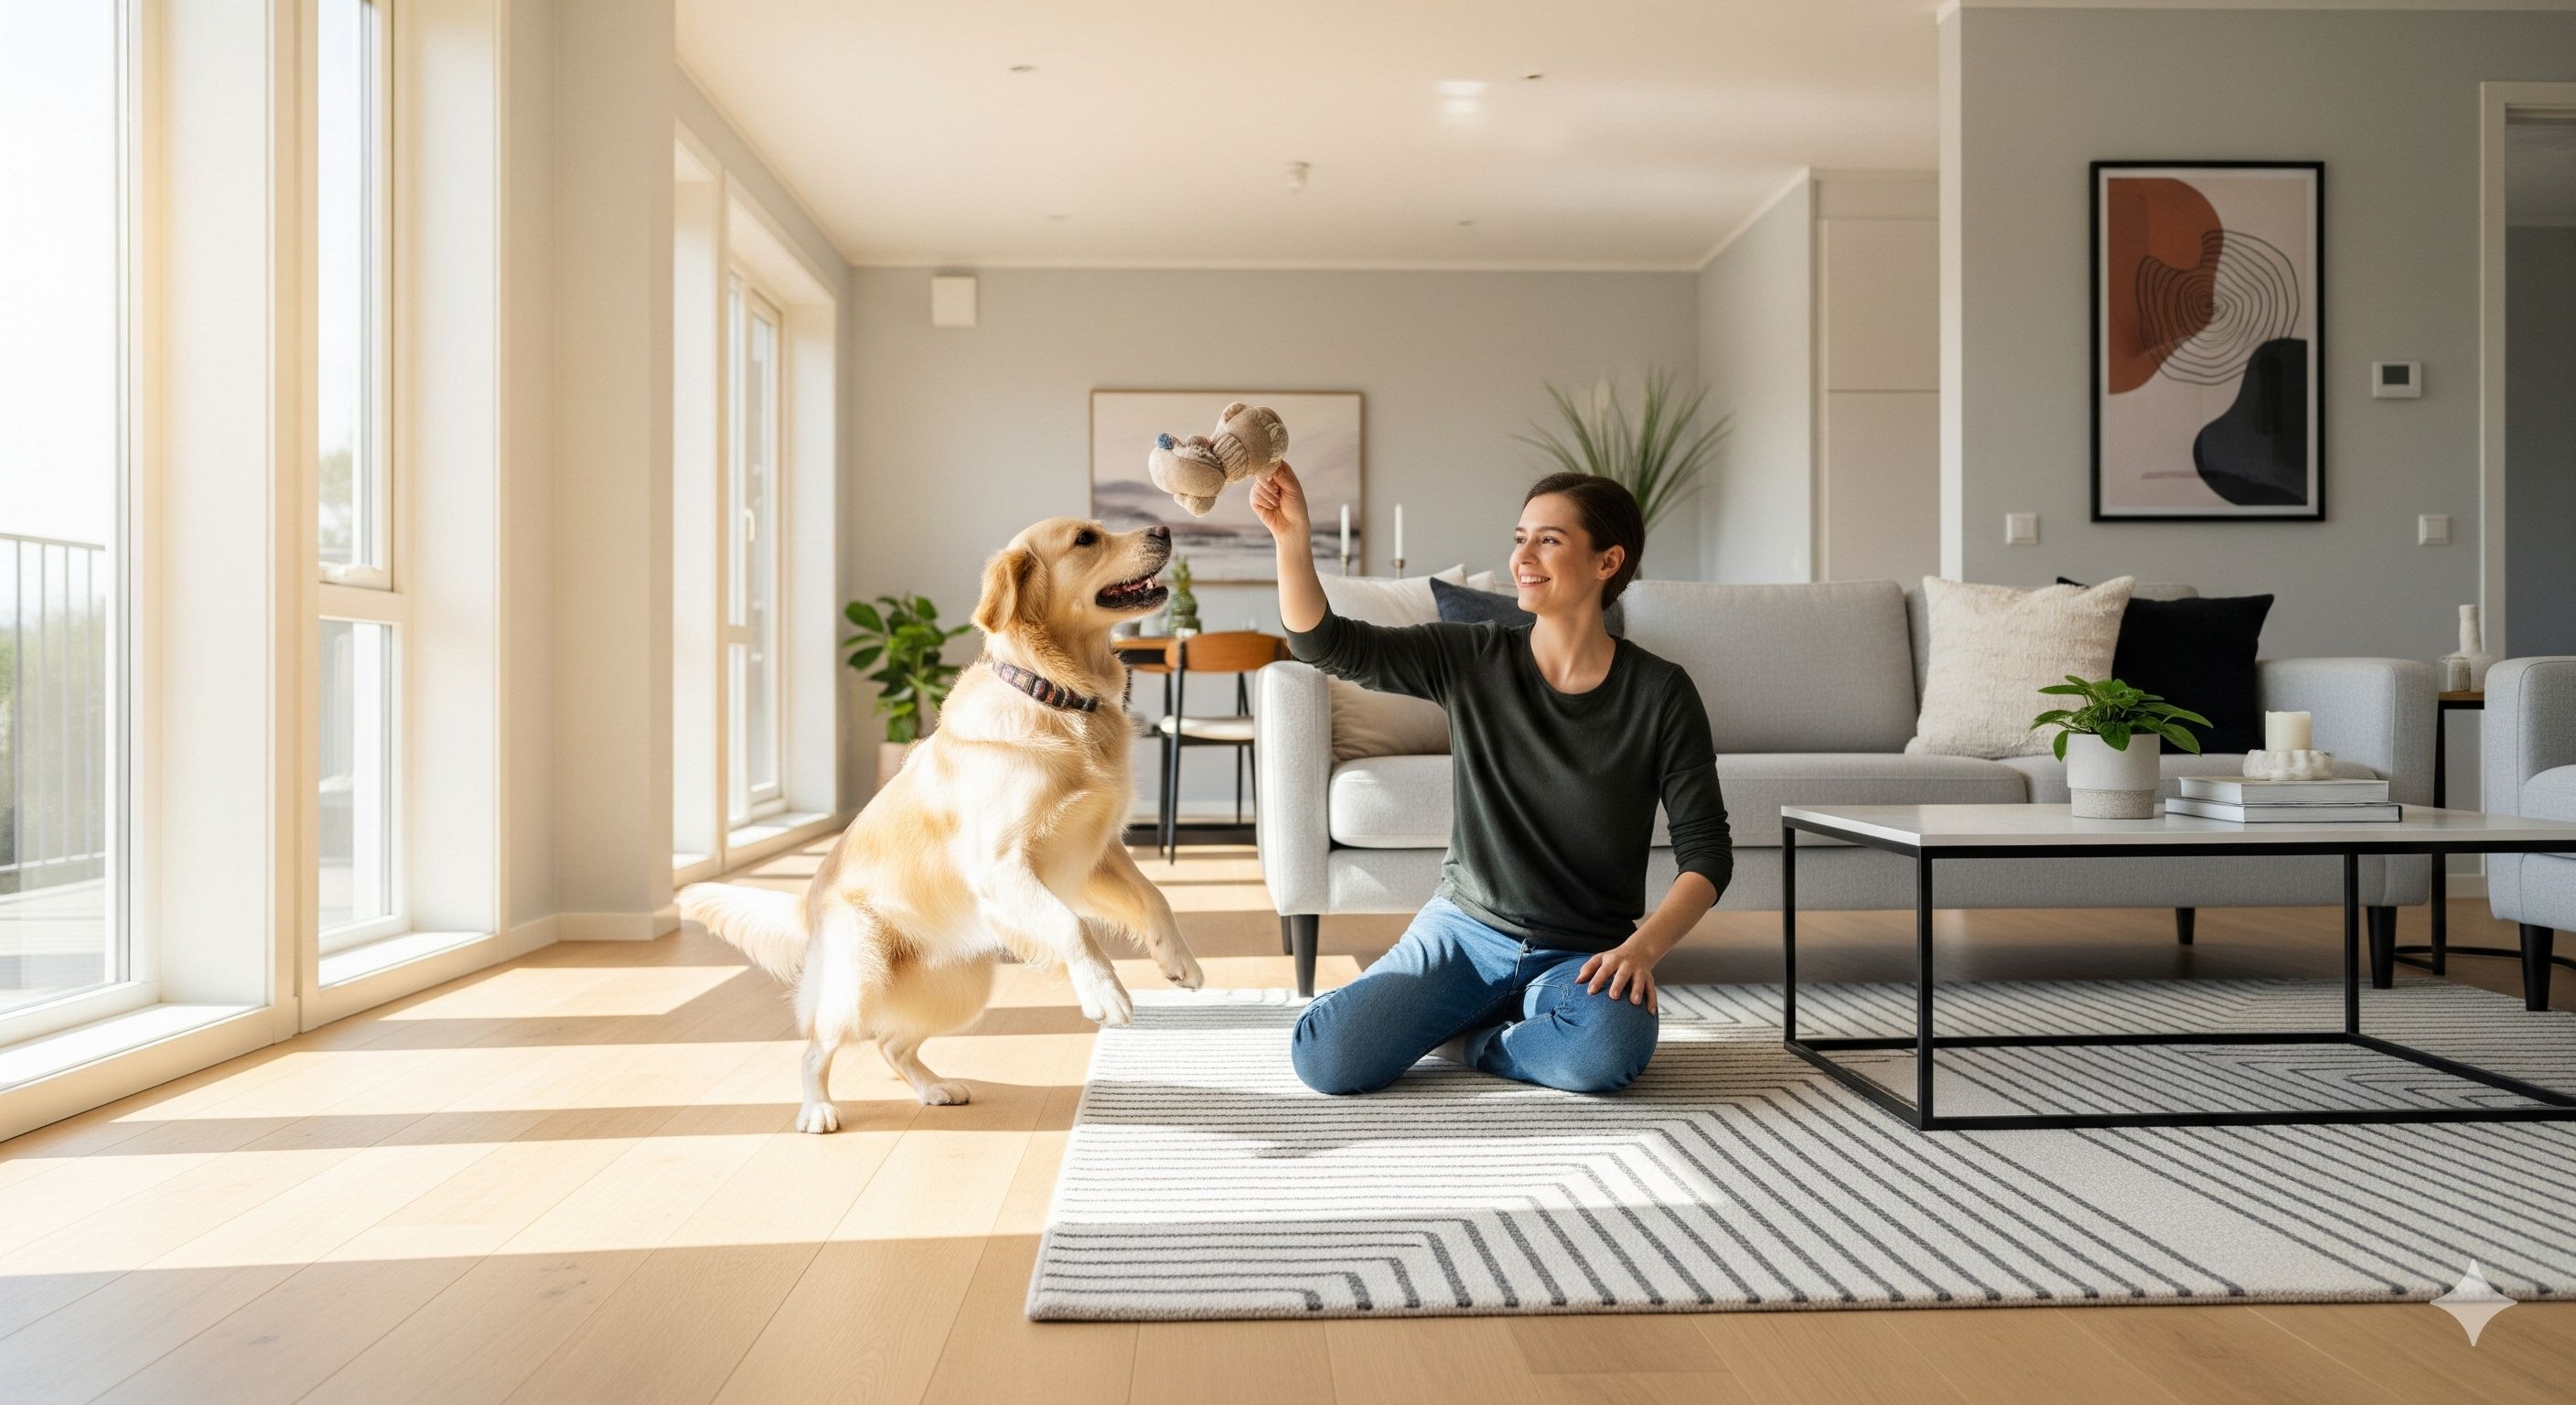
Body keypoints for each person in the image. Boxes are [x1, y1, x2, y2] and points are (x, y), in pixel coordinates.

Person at [1250, 462, 1731, 1096]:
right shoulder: (1473, 657)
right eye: (1520, 537)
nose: (1522, 557)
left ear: (1607, 562)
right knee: (1325, 1057)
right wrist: (1291, 540)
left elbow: (1707, 852)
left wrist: (1641, 951)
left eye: (1549, 540)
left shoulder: (1661, 692)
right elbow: (1327, 646)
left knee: (1608, 1048)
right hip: (1461, 935)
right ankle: (1445, 1011)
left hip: (1581, 955)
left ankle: (1472, 1040)